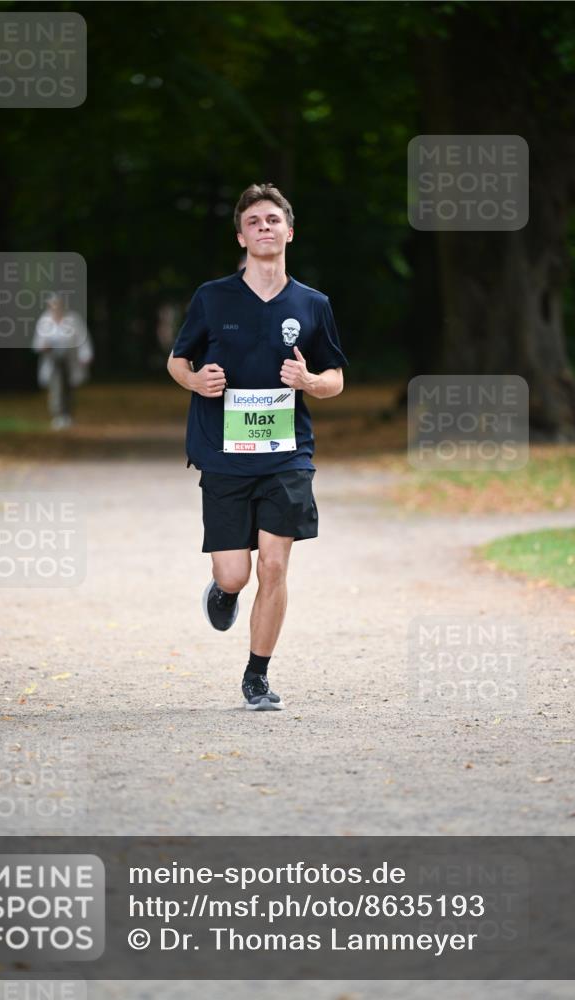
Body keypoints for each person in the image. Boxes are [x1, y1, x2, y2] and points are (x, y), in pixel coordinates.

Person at [167, 183, 348, 710]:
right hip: (223, 453)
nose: (264, 227)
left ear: (289, 232)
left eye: (272, 220)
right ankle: (224, 591)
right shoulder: (213, 297)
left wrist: (309, 381)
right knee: (236, 572)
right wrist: (195, 380)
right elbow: (178, 360)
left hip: (287, 455)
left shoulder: (312, 304)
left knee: (274, 566)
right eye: (253, 222)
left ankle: (257, 676)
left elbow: (335, 378)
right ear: (241, 238)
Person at [32, 294, 93, 429]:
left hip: (70, 359)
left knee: (69, 388)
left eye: (58, 304)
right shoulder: (44, 320)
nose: (56, 308)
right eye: (53, 305)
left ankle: (68, 415)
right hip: (53, 360)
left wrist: (85, 355)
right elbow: (38, 342)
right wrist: (44, 346)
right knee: (56, 387)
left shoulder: (74, 319)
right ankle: (58, 415)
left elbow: (83, 338)